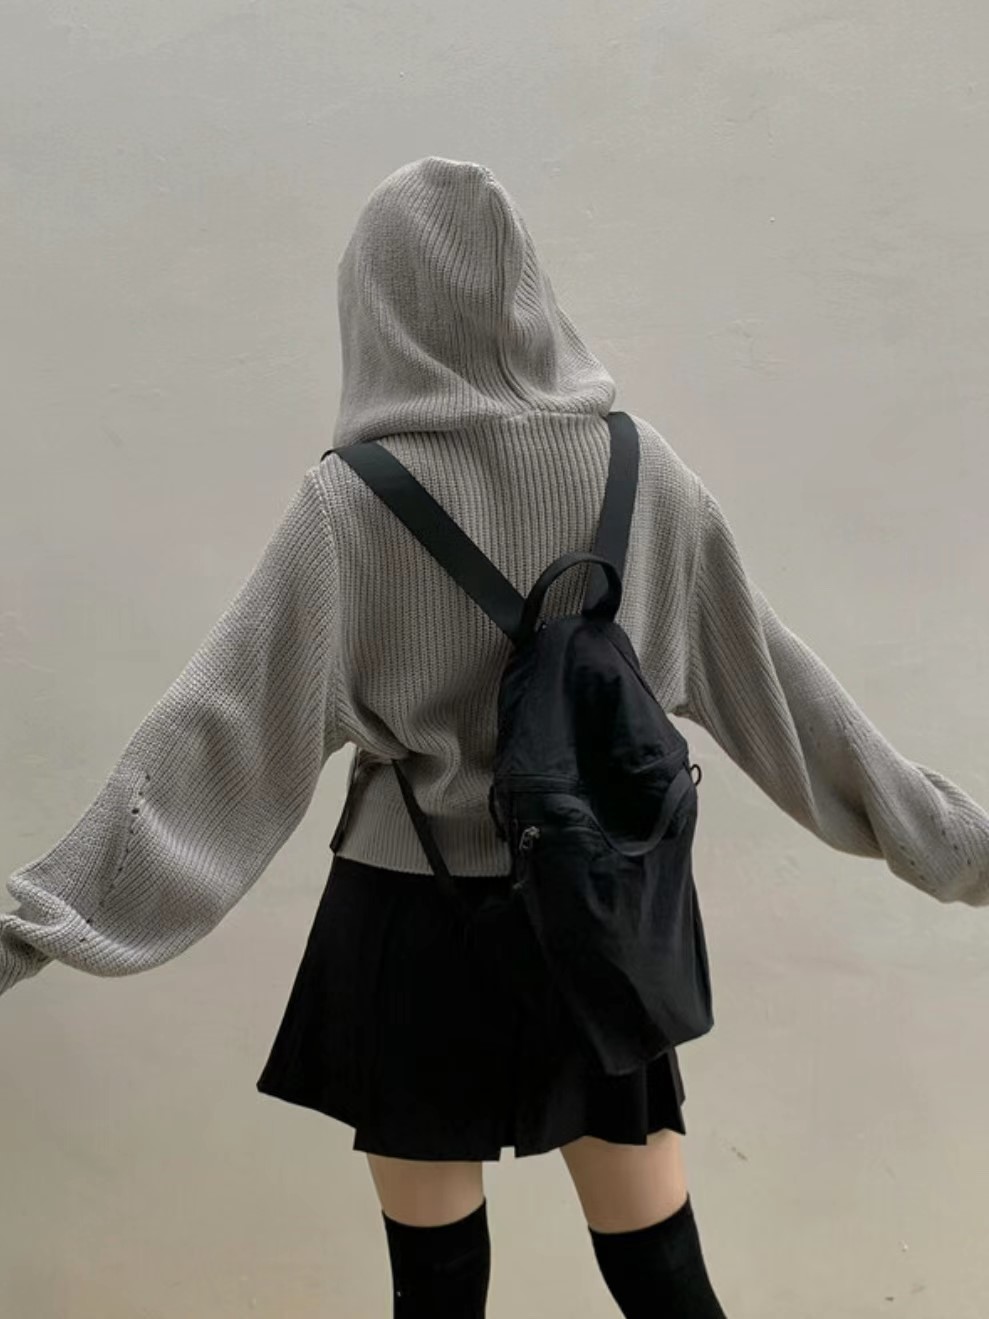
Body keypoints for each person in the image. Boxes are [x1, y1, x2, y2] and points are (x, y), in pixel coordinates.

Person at [3, 156, 988, 1319]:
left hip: (411, 923)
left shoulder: (350, 504)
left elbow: (213, 737)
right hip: (598, 921)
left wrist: (30, 923)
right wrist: (957, 845)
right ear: (527, 289)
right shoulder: (642, 472)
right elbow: (781, 694)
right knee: (663, 1274)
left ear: (372, 307)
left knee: (436, 1293)